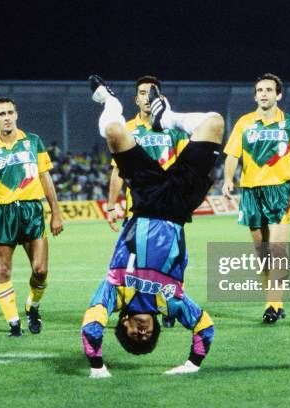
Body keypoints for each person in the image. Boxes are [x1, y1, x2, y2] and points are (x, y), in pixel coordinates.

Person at [82, 75, 223, 378]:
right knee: (214, 122)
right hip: (177, 205)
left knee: (114, 129)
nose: (143, 333)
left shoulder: (116, 294)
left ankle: (110, 100)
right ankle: (169, 117)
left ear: (122, 324)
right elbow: (205, 328)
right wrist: (191, 365)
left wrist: (97, 367)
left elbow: (90, 326)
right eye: (148, 337)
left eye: (134, 335)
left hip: (144, 202)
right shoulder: (170, 303)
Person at [222, 73, 290, 324]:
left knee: (277, 249)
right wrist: (228, 179)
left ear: (278, 95)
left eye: (269, 90)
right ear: (255, 95)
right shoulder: (244, 123)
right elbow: (231, 155)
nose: (263, 93)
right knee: (262, 252)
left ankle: (272, 304)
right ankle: (275, 301)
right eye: (259, 90)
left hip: (280, 191)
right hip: (251, 192)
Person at [106, 75, 189, 329]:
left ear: (160, 99)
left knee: (173, 259)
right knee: (137, 261)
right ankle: (143, 306)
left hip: (169, 205)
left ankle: (171, 304)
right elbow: (118, 170)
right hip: (139, 207)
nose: (147, 98)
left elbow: (187, 164)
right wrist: (111, 205)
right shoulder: (128, 130)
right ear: (136, 99)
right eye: (143, 93)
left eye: (152, 93)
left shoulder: (173, 129)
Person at [0, 97, 63, 337]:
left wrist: (55, 211)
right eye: (1, 114)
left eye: (10, 112)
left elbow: (45, 177)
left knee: (41, 270)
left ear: (17, 115)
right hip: (3, 213)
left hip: (32, 211)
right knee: (3, 270)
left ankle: (32, 307)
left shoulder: (33, 142)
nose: (6, 117)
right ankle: (13, 322)